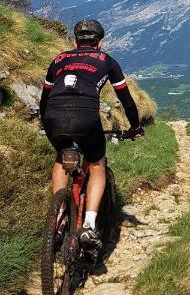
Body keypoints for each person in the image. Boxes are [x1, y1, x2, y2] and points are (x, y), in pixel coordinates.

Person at [40, 19, 142, 251]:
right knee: (96, 163)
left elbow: (45, 99)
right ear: (100, 42)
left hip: (53, 118)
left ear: (75, 42)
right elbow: (126, 100)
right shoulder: (107, 60)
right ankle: (88, 224)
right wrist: (135, 127)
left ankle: (57, 218)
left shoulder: (58, 60)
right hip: (85, 118)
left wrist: (44, 121)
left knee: (61, 158)